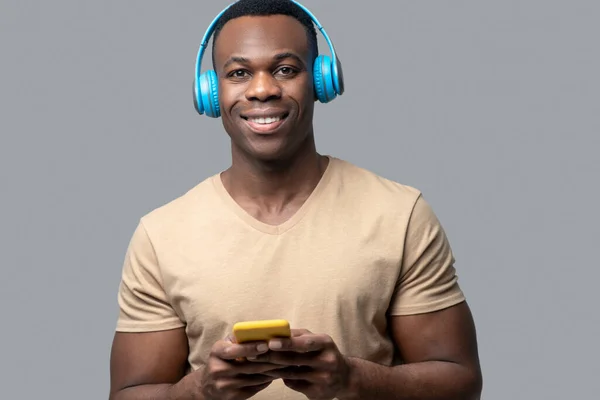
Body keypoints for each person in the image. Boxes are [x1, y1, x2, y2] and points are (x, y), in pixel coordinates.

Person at [108, 0, 483, 399]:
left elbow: (460, 382)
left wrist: (352, 380)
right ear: (211, 92)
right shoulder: (161, 235)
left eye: (286, 69)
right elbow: (129, 393)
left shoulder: (400, 215)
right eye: (239, 73)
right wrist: (200, 391)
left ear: (322, 80)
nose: (263, 89)